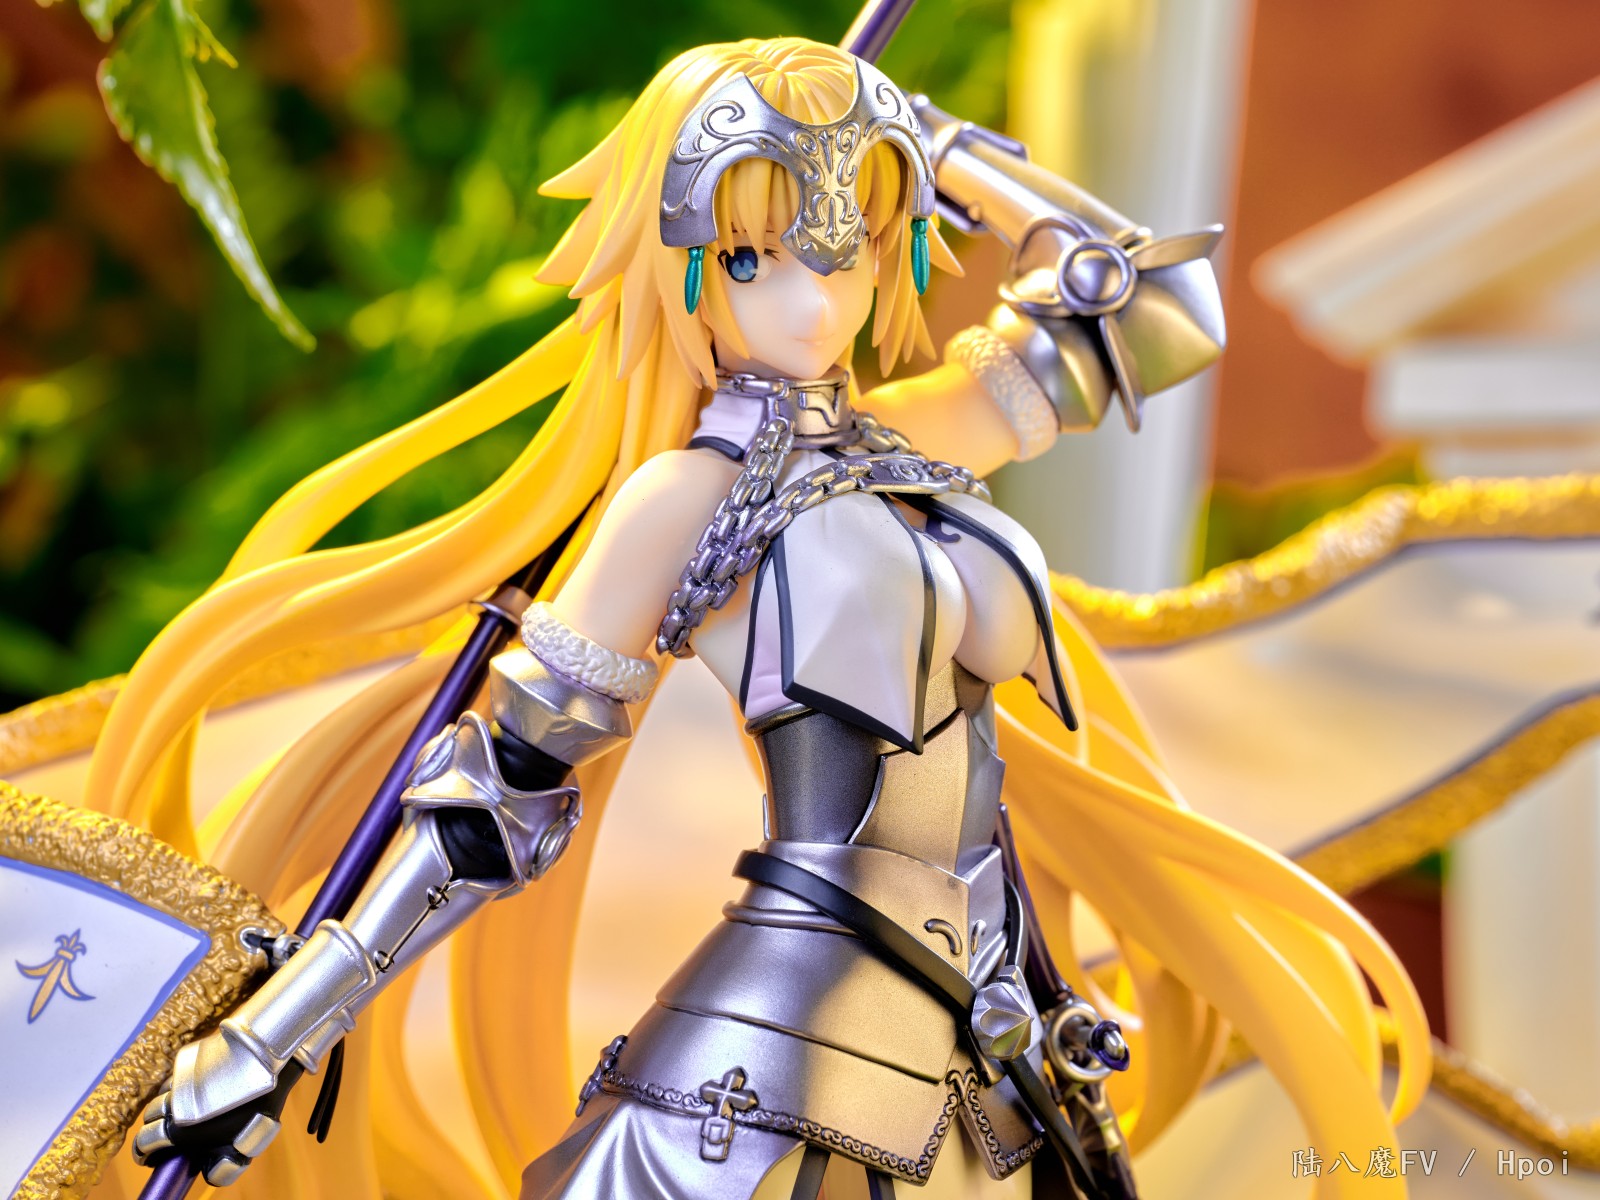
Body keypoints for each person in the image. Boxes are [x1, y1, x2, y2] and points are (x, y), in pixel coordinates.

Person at [102, 36, 1426, 1200]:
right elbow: (495, 802)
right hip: (787, 1035)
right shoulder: (685, 499)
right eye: (752, 254)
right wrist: (273, 1035)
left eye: (848, 244)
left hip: (992, 1016)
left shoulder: (907, 441)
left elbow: (1153, 310)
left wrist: (931, 145)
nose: (811, 296)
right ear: (683, 265)